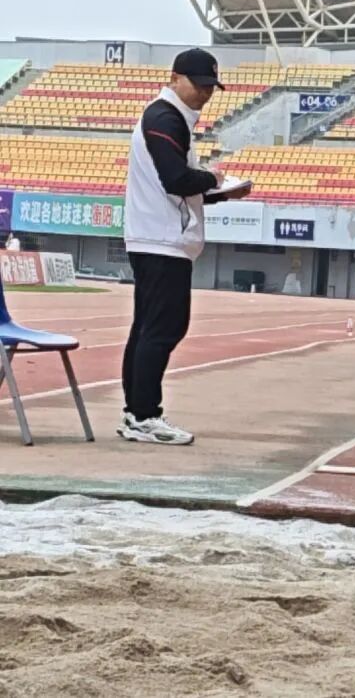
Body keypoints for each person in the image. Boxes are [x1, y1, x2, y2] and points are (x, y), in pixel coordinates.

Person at [119, 48, 251, 445]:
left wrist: (220, 194)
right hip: (161, 240)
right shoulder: (165, 117)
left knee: (148, 328)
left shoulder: (171, 118)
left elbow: (178, 187)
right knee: (162, 329)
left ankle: (136, 413)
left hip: (157, 237)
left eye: (210, 87)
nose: (204, 93)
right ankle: (145, 415)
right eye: (198, 84)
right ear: (175, 78)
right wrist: (214, 179)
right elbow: (176, 180)